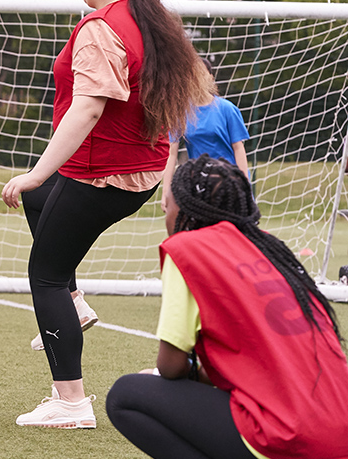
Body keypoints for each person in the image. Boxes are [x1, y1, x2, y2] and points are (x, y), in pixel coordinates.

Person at [0, 0, 216, 428]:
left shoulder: (101, 27)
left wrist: (34, 173)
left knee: (45, 274)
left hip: (103, 175)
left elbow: (87, 110)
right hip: (137, 171)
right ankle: (74, 305)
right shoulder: (149, 17)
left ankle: (70, 401)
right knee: (42, 207)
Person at [107, 155, 348, 458]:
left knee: (127, 396)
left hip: (291, 437)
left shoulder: (187, 248)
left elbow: (170, 367)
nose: (165, 209)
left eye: (168, 201)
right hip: (341, 429)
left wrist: (187, 374)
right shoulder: (268, 246)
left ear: (186, 208)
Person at [161, 95, 249, 212]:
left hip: (229, 183)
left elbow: (239, 149)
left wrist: (244, 186)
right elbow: (171, 154)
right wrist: (165, 191)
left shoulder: (227, 108)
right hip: (200, 186)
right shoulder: (181, 112)